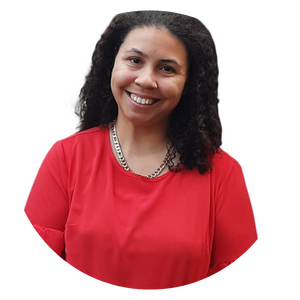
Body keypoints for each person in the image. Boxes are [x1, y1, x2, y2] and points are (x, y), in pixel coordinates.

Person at [23, 8, 259, 292]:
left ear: (189, 84)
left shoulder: (222, 174)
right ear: (112, 64)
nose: (147, 80)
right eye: (135, 60)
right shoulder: (66, 158)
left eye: (167, 68)